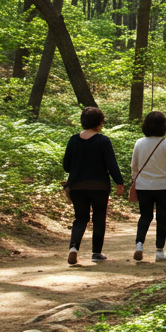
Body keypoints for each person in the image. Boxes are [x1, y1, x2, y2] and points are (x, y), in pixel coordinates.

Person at [61, 107, 125, 265]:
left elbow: (66, 166)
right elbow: (111, 165)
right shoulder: (103, 140)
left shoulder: (73, 140)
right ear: (99, 123)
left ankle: (73, 248)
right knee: (99, 218)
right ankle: (96, 253)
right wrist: (119, 182)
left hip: (77, 186)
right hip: (99, 186)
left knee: (80, 218)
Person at [132, 111, 166, 262]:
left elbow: (134, 166)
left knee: (145, 216)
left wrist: (135, 180)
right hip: (163, 185)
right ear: (164, 126)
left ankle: (139, 245)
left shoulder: (139, 143)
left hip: (143, 186)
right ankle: (159, 251)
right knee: (162, 217)